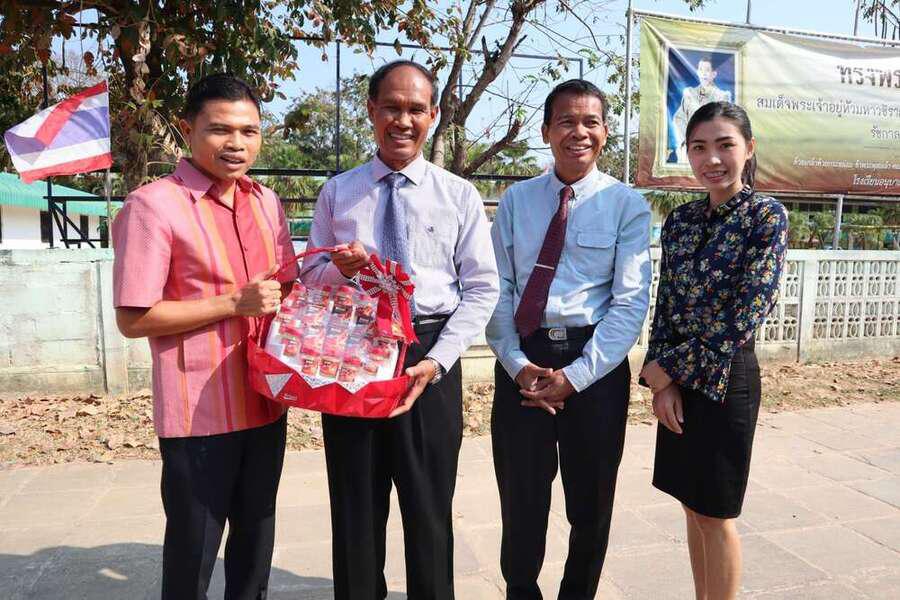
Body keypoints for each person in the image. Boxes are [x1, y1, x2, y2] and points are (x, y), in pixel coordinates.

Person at [299, 59, 499, 600]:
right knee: (356, 509)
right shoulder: (338, 193)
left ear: (433, 115)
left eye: (415, 109)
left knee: (429, 510)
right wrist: (339, 270)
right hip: (353, 354)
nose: (403, 121)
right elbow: (308, 276)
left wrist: (438, 361)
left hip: (428, 356)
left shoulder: (458, 195)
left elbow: (482, 288)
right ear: (371, 111)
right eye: (391, 107)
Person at [112, 74, 298, 599]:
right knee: (193, 553)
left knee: (255, 547)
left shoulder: (266, 202)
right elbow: (133, 318)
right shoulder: (153, 206)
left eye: (249, 131)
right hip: (200, 415)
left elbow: (286, 286)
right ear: (186, 128)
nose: (236, 144)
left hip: (265, 403)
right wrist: (231, 304)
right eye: (220, 130)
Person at [486, 79, 652, 600]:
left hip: (594, 368)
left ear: (605, 132)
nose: (579, 132)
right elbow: (497, 288)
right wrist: (516, 363)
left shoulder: (626, 204)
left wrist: (575, 378)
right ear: (545, 131)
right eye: (566, 121)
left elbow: (630, 303)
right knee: (521, 497)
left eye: (591, 122)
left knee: (591, 500)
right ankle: (521, 591)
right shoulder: (517, 201)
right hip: (525, 362)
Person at [640, 101, 788, 600]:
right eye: (700, 147)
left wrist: (668, 367)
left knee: (716, 513)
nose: (713, 159)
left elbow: (746, 313)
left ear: (749, 148)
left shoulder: (765, 216)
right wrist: (662, 383)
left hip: (727, 378)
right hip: (679, 381)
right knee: (690, 504)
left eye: (725, 145)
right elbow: (667, 303)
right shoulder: (680, 221)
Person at [671, 57, 732, 163]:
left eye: (707, 70)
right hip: (689, 145)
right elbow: (679, 118)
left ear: (714, 74)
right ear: (697, 72)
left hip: (710, 148)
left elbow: (723, 124)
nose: (703, 73)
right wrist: (687, 139)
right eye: (701, 69)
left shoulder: (722, 96)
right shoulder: (689, 93)